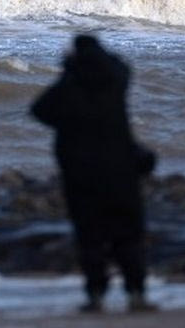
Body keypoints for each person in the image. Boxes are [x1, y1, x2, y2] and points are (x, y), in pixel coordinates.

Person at [30, 34, 157, 314]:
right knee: (128, 235)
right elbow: (124, 68)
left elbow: (39, 110)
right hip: (120, 171)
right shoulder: (115, 83)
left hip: (82, 175)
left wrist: (69, 70)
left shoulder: (70, 87)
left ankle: (96, 296)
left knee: (90, 237)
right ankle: (136, 293)